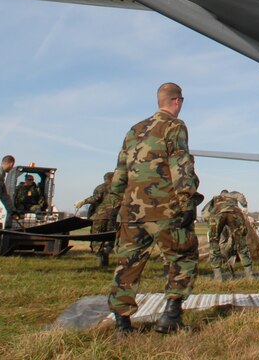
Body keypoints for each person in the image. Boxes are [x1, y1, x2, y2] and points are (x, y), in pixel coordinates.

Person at [107, 83, 201, 334]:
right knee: (183, 256)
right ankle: (171, 316)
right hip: (164, 209)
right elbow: (180, 165)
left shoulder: (134, 130)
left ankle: (122, 324)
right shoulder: (174, 126)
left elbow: (120, 173)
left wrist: (116, 204)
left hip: (131, 213)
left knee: (127, 265)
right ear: (177, 101)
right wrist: (187, 201)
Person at [206, 190, 255, 281]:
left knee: (214, 244)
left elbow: (205, 212)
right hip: (234, 212)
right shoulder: (233, 194)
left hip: (217, 214)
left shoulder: (215, 198)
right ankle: (250, 276)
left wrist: (210, 226)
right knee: (241, 243)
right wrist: (244, 206)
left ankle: (218, 278)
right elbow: (241, 197)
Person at [75, 172, 116, 266]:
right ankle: (106, 253)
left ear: (105, 178)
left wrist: (83, 202)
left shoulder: (101, 187)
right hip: (114, 217)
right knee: (110, 237)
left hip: (100, 217)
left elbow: (95, 199)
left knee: (97, 239)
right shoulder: (120, 188)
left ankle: (99, 262)